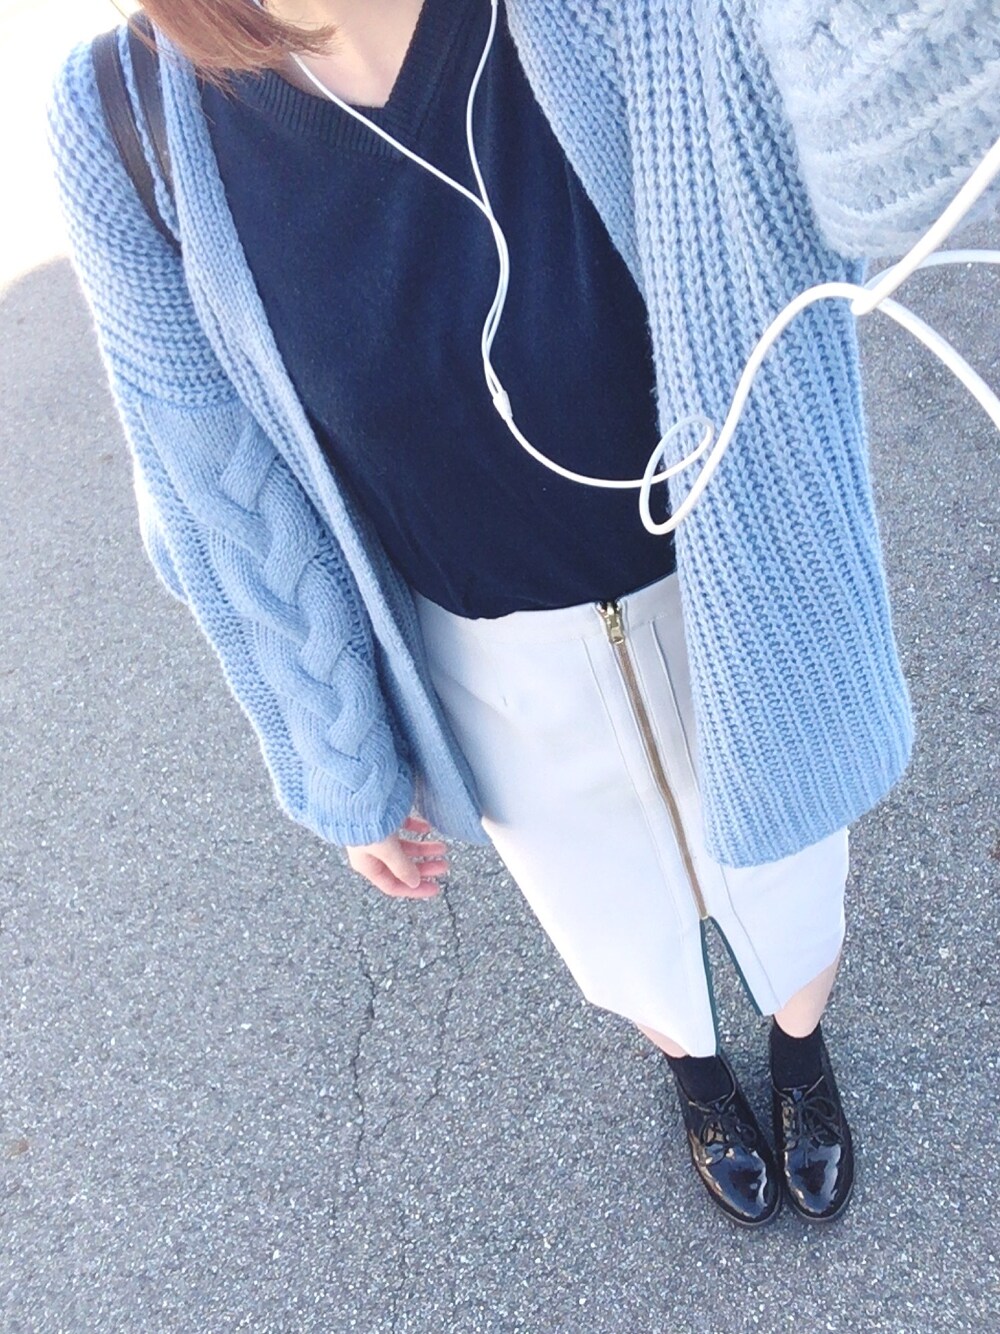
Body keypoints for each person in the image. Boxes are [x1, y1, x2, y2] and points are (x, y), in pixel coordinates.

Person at [48, 0, 1000, 1227]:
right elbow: (211, 494)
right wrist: (340, 757)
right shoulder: (124, 117)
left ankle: (800, 1049)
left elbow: (888, 162)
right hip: (489, 657)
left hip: (745, 585)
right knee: (615, 926)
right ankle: (698, 1074)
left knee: (797, 883)